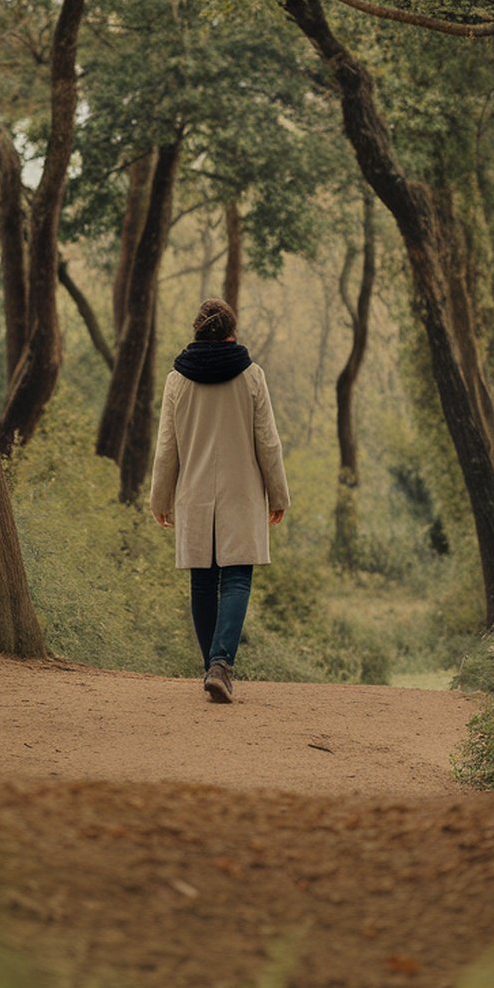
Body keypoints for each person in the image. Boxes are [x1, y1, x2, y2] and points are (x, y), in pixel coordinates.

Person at [150, 298, 289, 704]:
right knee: (237, 578)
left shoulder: (178, 379)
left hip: (193, 494)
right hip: (241, 494)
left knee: (203, 579)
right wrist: (278, 494)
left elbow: (165, 448)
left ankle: (212, 667)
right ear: (232, 332)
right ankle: (220, 664)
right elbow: (268, 442)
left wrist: (160, 497)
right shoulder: (251, 376)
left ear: (197, 332)